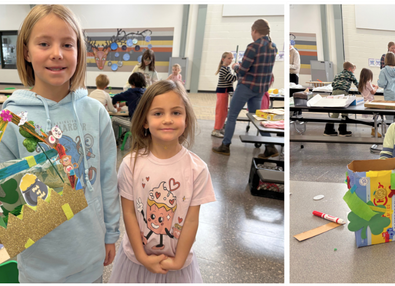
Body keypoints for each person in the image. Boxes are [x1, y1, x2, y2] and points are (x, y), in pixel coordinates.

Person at [0, 5, 119, 282]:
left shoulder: (95, 112)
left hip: (91, 255)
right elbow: (1, 197)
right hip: (39, 265)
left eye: (67, 44)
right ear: (26, 52)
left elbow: (108, 179)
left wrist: (111, 232)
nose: (57, 53)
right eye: (44, 43)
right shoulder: (11, 118)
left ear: (79, 51)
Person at [110, 80, 215, 282]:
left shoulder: (197, 169)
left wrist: (178, 260)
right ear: (145, 121)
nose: (168, 120)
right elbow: (129, 213)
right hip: (135, 262)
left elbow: (192, 220)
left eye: (176, 113)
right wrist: (142, 256)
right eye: (158, 113)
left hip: (178, 266)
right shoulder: (130, 164)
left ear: (186, 119)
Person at [212, 19, 277, 156]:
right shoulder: (273, 47)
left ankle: (225, 145)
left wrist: (236, 66)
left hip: (247, 86)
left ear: (254, 31)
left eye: (251, 32)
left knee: (232, 115)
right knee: (257, 118)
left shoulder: (253, 46)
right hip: (260, 89)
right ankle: (270, 146)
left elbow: (242, 71)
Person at [325, 61, 358, 136]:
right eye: (353, 69)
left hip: (334, 93)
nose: (353, 71)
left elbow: (333, 84)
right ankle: (342, 130)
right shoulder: (350, 74)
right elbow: (357, 84)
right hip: (343, 94)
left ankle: (328, 130)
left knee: (335, 112)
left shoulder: (338, 74)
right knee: (344, 112)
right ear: (350, 69)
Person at [212, 52, 237, 138]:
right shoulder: (223, 69)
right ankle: (216, 129)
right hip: (222, 92)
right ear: (223, 59)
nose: (231, 60)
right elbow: (231, 79)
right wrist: (240, 74)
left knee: (224, 111)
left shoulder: (227, 68)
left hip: (225, 92)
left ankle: (220, 127)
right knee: (221, 112)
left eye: (232, 58)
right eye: (229, 58)